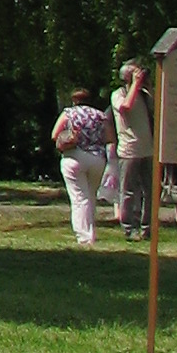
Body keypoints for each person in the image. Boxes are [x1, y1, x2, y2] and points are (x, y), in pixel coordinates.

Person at [53, 89, 110, 247]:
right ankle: (91, 231)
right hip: (97, 158)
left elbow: (54, 134)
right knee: (91, 196)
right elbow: (110, 137)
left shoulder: (69, 113)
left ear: (74, 100)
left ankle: (84, 236)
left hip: (74, 156)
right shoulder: (100, 115)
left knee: (79, 198)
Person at [110, 59, 153, 236]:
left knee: (150, 191)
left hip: (147, 149)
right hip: (129, 150)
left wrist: (148, 86)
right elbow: (125, 107)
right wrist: (135, 84)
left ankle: (147, 227)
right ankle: (129, 227)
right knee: (128, 191)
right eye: (136, 73)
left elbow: (158, 109)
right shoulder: (118, 94)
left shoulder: (143, 94)